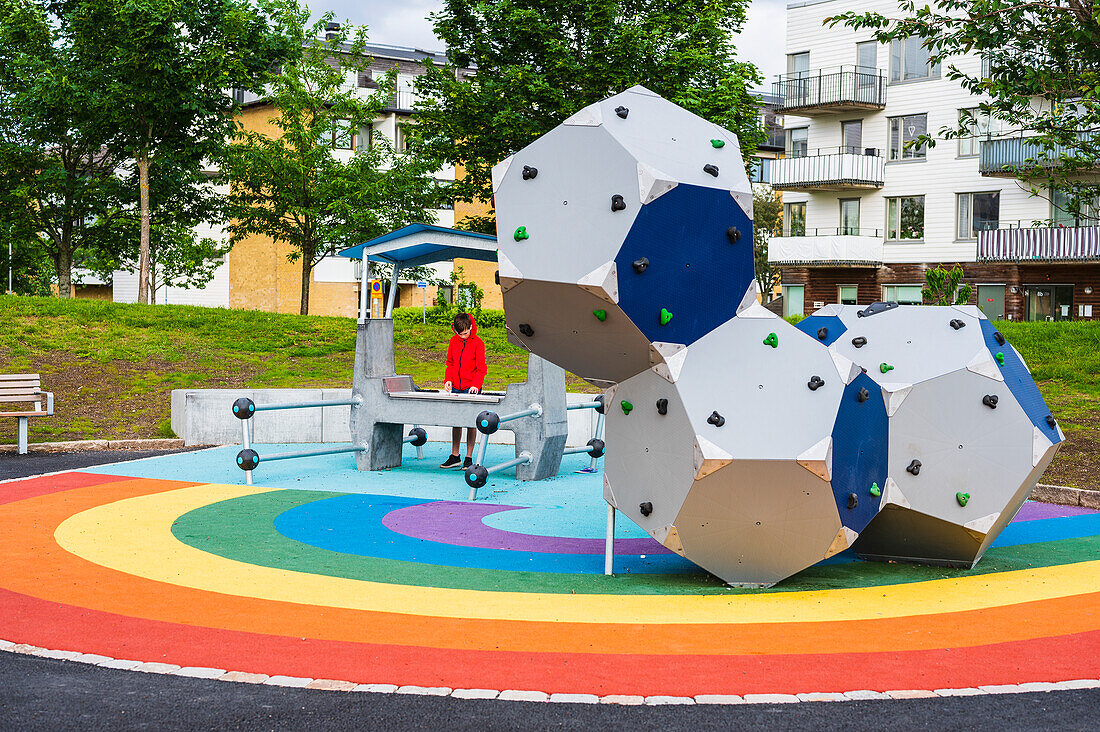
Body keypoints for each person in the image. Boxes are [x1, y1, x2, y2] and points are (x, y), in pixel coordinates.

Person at [440, 312, 486, 469]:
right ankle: (455, 456)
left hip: (471, 388)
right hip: (456, 387)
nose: (462, 337)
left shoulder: (478, 343)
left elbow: (481, 369)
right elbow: (450, 363)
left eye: (465, 334)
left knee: (470, 423)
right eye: (459, 334)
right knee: (456, 421)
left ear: (471, 327)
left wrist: (476, 385)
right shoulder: (454, 341)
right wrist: (448, 379)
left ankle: (468, 457)